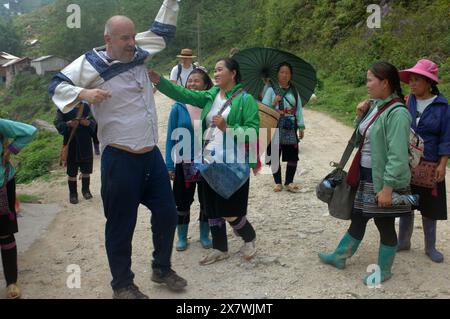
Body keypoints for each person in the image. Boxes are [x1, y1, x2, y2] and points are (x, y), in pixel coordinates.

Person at [49, 0, 187, 299]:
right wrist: (83, 92)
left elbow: (163, 32)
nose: (131, 43)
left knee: (167, 214)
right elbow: (56, 85)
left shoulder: (138, 51)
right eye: (124, 38)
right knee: (121, 226)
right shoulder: (90, 63)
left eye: (133, 36)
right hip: (120, 160)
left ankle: (161, 268)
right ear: (108, 39)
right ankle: (122, 285)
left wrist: (171, 2)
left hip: (151, 156)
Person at [150, 57, 260, 265]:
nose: (216, 74)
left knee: (230, 209)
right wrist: (159, 81)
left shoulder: (245, 100)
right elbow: (184, 93)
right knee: (211, 208)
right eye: (215, 70)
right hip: (209, 161)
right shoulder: (211, 95)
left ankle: (249, 237)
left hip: (232, 162)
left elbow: (254, 132)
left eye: (220, 70)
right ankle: (220, 248)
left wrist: (227, 128)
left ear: (233, 73)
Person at [318, 62, 412, 285]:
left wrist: (388, 188)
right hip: (367, 175)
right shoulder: (376, 106)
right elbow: (364, 138)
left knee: (384, 223)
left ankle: (384, 271)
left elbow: (398, 156)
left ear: (385, 83)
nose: (367, 84)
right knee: (359, 216)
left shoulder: (398, 114)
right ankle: (339, 256)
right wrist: (360, 115)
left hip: (382, 180)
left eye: (370, 80)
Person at [397, 59, 450, 263]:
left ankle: (430, 247)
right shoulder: (406, 101)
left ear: (429, 82)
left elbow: (446, 137)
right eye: (411, 80)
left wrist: (443, 164)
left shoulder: (442, 106)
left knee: (430, 208)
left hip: (431, 164)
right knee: (406, 204)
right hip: (407, 162)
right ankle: (403, 241)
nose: (412, 83)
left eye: (417, 80)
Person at [165, 68, 213, 251]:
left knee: (206, 199)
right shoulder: (179, 106)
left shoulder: (210, 105)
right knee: (182, 200)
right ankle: (182, 237)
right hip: (184, 161)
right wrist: (169, 164)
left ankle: (204, 235)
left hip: (207, 160)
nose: (192, 83)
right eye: (189, 81)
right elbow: (171, 136)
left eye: (196, 81)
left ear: (206, 85)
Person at [0, 118, 37, 299]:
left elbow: (29, 131)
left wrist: (10, 149)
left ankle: (11, 282)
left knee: (4, 234)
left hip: (2, 185)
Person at [262, 62, 305, 193]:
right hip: (275, 125)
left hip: (290, 125)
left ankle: (289, 182)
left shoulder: (294, 91)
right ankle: (278, 183)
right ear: (277, 74)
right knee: (274, 154)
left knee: (292, 154)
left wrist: (301, 126)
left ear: (291, 75)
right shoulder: (270, 90)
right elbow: (264, 108)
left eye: (287, 72)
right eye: (282, 72)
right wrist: (274, 102)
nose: (284, 75)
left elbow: (298, 110)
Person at [54, 102, 97, 204]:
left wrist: (88, 123)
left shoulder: (86, 107)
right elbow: (57, 123)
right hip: (71, 142)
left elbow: (94, 121)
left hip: (85, 142)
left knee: (86, 170)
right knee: (71, 172)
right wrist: (67, 124)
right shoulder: (63, 108)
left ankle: (86, 191)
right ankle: (73, 194)